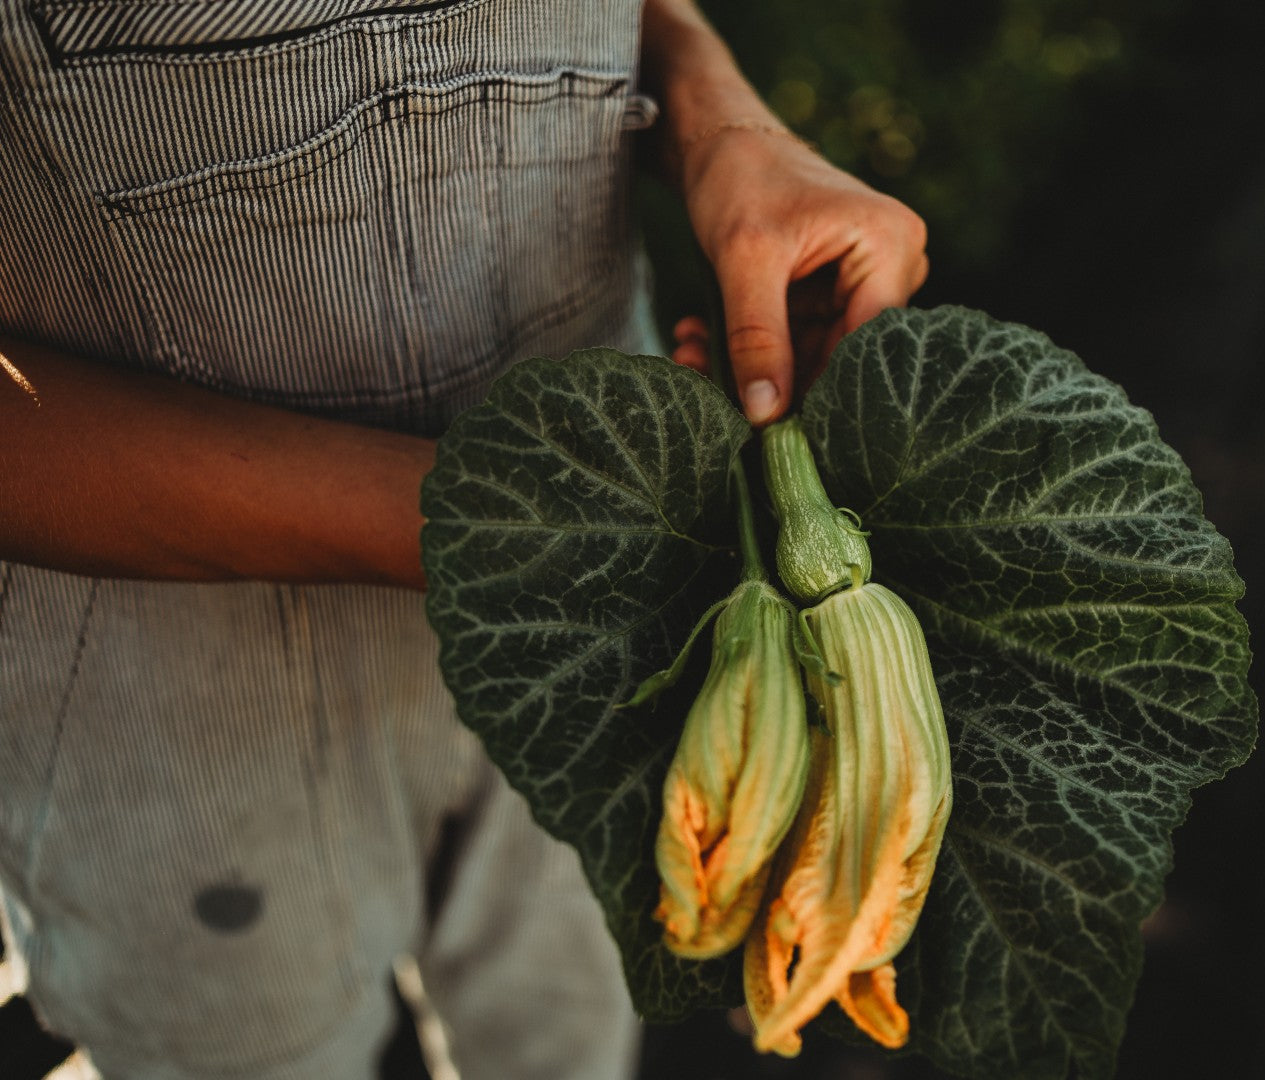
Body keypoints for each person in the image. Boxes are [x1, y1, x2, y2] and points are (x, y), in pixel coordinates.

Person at [0, 0, 927, 1076]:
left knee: (567, 1038)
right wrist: (490, 523)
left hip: (618, 614)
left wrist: (717, 120)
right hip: (162, 685)